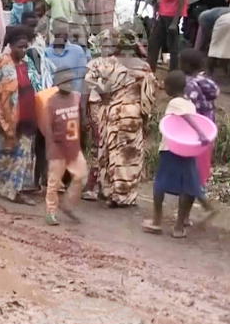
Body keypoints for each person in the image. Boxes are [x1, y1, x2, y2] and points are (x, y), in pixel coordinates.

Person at [82, 28, 156, 207]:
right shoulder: (143, 66)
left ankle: (108, 191)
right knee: (129, 155)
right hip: (132, 114)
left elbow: (88, 81)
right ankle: (123, 195)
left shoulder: (107, 63)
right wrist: (146, 120)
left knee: (110, 151)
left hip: (112, 112)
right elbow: (148, 97)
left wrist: (103, 94)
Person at [142, 71, 214, 238]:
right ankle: (179, 227)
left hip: (171, 149)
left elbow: (186, 117)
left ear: (169, 88)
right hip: (187, 149)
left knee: (160, 184)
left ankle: (156, 221)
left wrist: (201, 133)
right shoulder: (189, 103)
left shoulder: (175, 102)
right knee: (188, 187)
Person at [0, 26, 41, 205]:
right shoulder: (1, 64)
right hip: (2, 118)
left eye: (25, 47)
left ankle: (15, 189)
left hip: (25, 118)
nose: (23, 50)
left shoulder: (26, 64)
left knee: (20, 156)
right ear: (11, 46)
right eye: (20, 47)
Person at [39, 68, 87, 226]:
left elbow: (80, 119)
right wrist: (51, 149)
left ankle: (68, 203)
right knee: (54, 182)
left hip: (73, 147)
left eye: (70, 81)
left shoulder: (75, 97)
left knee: (81, 175)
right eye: (64, 81)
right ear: (57, 83)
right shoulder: (51, 103)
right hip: (58, 149)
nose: (68, 85)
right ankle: (50, 212)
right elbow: (48, 128)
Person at [181, 47, 220, 205]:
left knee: (189, 168)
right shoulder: (207, 83)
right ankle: (200, 190)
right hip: (208, 129)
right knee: (201, 166)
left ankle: (198, 198)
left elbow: (186, 109)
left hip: (194, 132)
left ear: (186, 65)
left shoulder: (189, 85)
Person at [44, 20, 88, 94]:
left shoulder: (77, 51)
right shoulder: (46, 53)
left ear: (69, 32)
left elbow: (81, 78)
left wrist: (75, 96)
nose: (62, 34)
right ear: (52, 32)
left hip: (75, 96)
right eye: (59, 31)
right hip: (52, 96)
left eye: (64, 31)